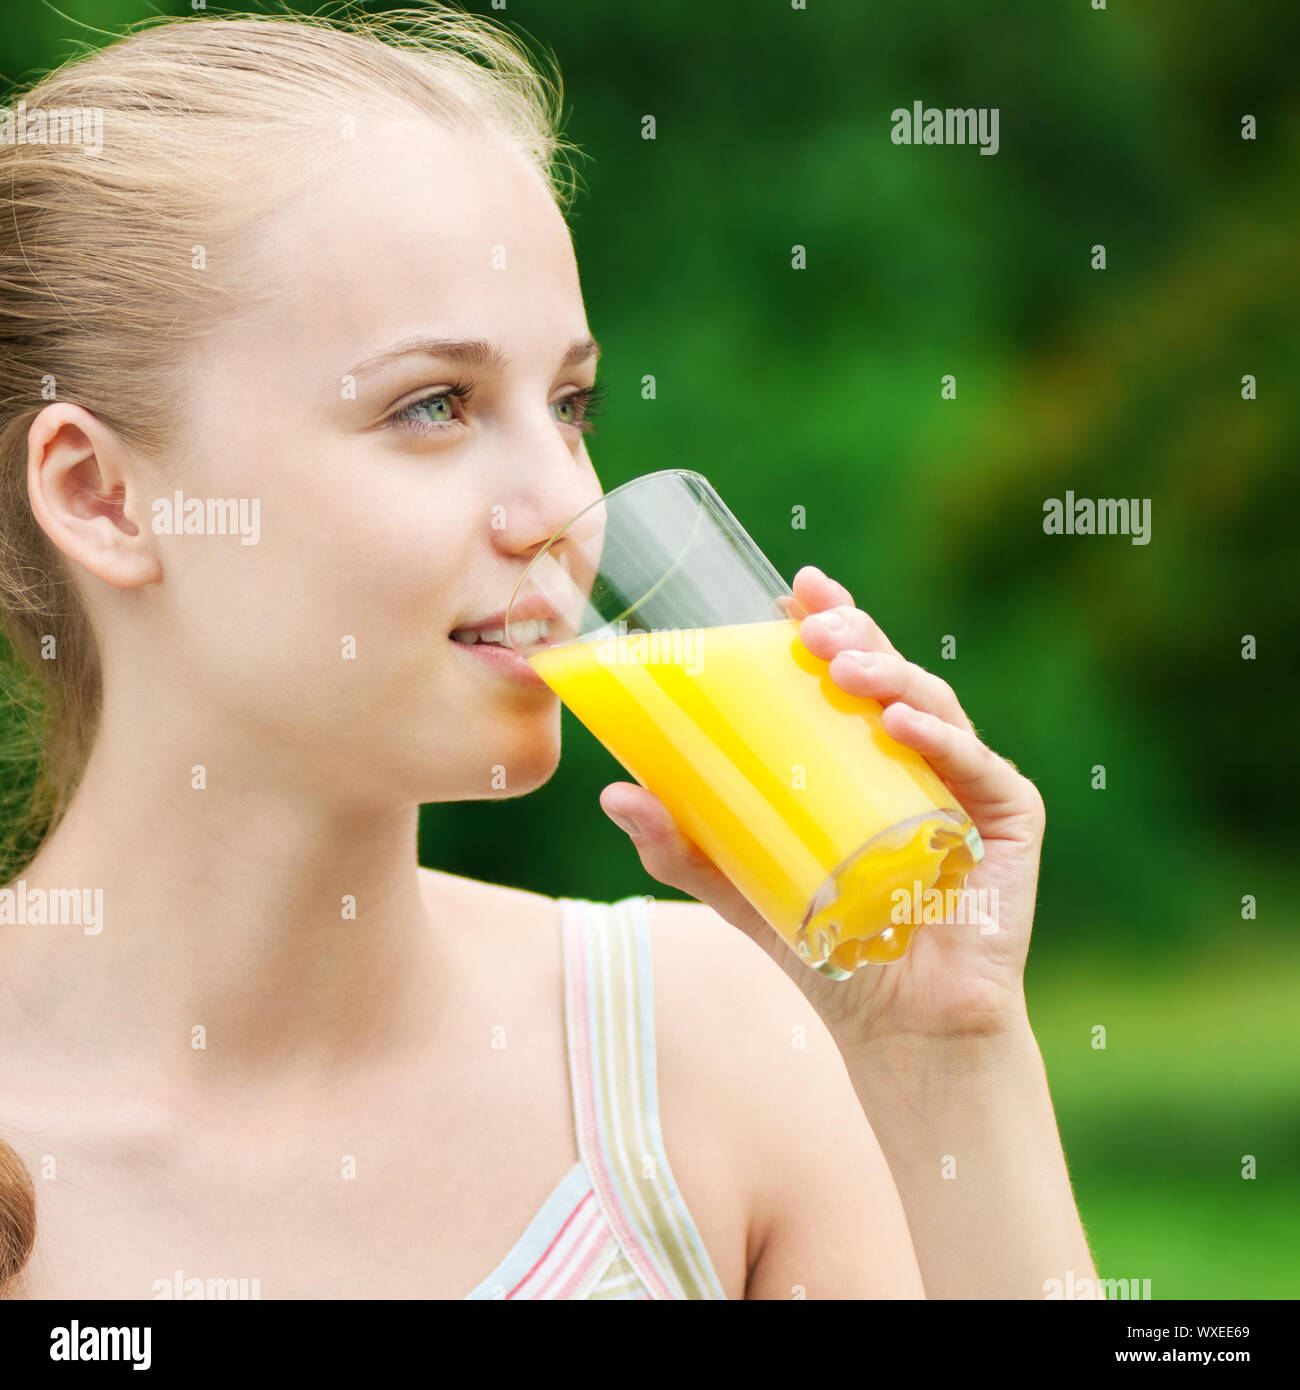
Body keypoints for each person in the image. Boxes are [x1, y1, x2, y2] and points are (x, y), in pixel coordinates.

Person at [0, 8, 1096, 1299]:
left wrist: (950, 1064)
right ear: (103, 496)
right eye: (433, 406)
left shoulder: (707, 1060)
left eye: (570, 404)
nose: (570, 506)